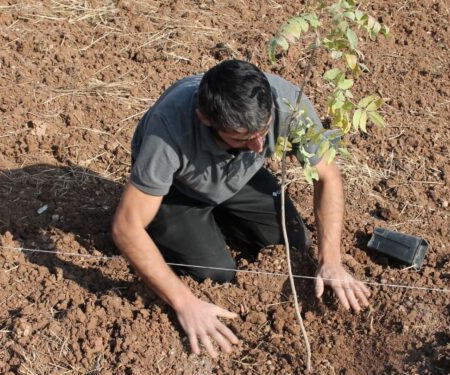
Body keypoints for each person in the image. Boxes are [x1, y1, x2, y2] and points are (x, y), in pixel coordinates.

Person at [112, 60, 371, 358]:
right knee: (216, 272)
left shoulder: (287, 102)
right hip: (176, 191)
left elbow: (328, 175)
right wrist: (185, 303)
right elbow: (125, 227)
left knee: (295, 245)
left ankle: (222, 212)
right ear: (205, 119)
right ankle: (181, 230)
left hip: (239, 175)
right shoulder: (169, 129)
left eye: (264, 130)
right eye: (242, 137)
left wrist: (333, 260)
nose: (260, 146)